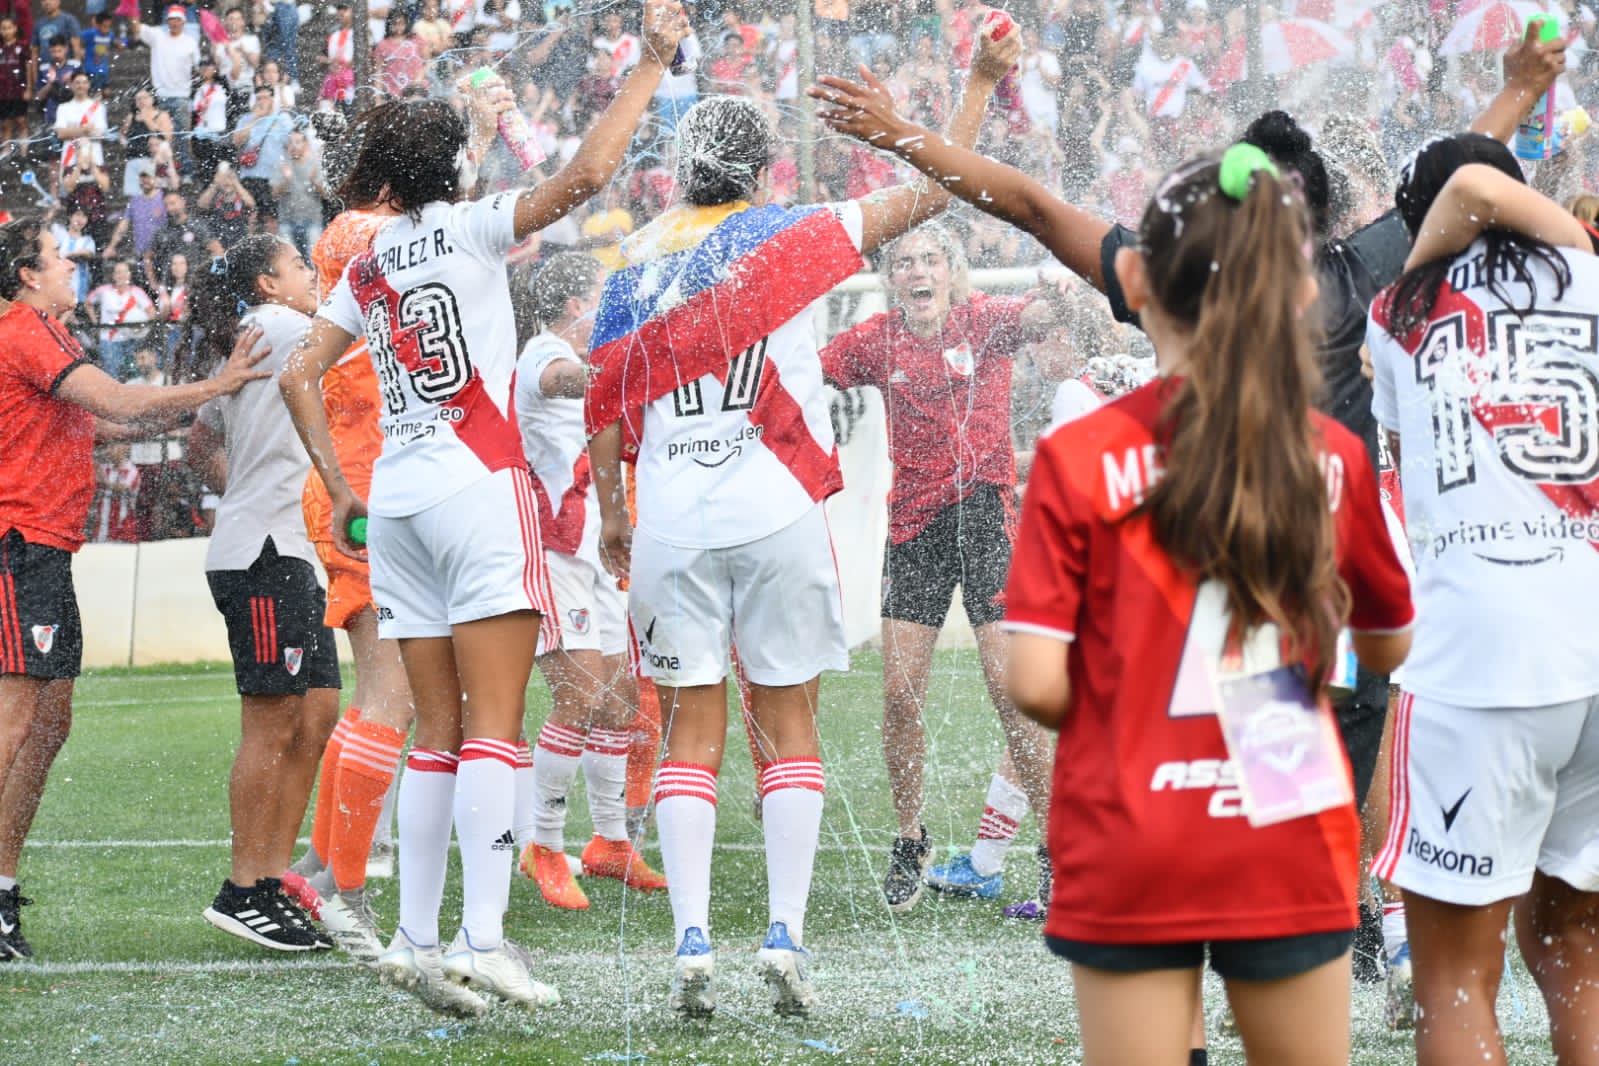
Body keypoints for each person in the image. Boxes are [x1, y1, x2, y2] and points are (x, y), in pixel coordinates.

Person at [814, 21, 1567, 977]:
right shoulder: (1355, 276)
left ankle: (1266, 929)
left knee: (1227, 821)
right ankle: (1334, 930)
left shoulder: (1170, 285)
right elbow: (1456, 179)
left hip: (1206, 611)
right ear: (1320, 216)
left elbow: (1030, 205)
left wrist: (894, 135)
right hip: (1321, 602)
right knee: (1310, 808)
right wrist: (1517, 91)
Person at [584, 19, 1020, 1019]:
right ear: (763, 169)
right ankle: (783, 939)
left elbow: (605, 406)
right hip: (776, 510)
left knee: (691, 727)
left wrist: (614, 511)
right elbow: (937, 192)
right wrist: (981, 84)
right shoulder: (789, 233)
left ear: (679, 171)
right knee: (787, 725)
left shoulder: (633, 264)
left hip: (673, 519)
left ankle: (692, 947)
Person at [278, 0, 690, 1015]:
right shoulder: (471, 225)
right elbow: (587, 179)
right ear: (454, 167)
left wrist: (339, 486)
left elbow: (299, 371)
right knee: (497, 726)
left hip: (400, 501)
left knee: (439, 730)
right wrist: (651, 64)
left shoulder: (368, 259)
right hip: (480, 487)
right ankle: (482, 938)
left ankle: (416, 938)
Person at [1004, 142, 1410, 1065]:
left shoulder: (1077, 455)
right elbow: (1387, 646)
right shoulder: (1328, 456)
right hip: (1282, 801)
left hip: (1130, 818)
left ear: (1137, 279)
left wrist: (1137, 695)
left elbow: (1034, 680)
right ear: (1295, 295)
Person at [1366, 134, 1599, 1066]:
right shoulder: (1588, 280)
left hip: (1481, 665)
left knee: (1454, 981)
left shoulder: (1393, 314)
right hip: (1593, 651)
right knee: (1576, 951)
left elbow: (1463, 186)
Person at [0, 217, 266, 961]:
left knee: (47, 726)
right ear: (27, 273)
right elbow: (113, 403)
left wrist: (204, 410)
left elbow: (88, 427)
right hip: (19, 549)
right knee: (16, 724)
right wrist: (218, 383)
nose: (72, 267)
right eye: (59, 257)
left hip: (41, 552)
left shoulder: (41, 338)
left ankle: (1, 890)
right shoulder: (31, 328)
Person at [819, 222, 1071, 914]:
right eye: (904, 262)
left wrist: (1063, 287)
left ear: (954, 275)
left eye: (930, 260)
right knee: (899, 695)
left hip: (986, 520)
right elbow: (805, 369)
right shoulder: (875, 339)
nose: (917, 271)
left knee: (1011, 695)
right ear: (890, 278)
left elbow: (1042, 314)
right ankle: (909, 838)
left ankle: (1056, 849)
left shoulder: (983, 319)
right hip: (915, 528)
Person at [175, 234, 344, 952]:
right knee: (272, 723)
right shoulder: (278, 328)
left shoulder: (261, 334)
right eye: (298, 267)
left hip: (287, 547)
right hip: (265, 552)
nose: (311, 277)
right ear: (267, 285)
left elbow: (198, 442)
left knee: (317, 716)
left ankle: (271, 880)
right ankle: (244, 888)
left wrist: (242, 484)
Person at [281, 144, 412, 966]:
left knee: (382, 693)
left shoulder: (353, 229)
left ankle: (324, 870)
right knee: (391, 695)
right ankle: (345, 888)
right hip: (365, 482)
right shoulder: (371, 231)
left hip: (360, 475)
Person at [512, 251, 667, 912]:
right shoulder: (542, 353)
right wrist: (623, 364)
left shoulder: (587, 353)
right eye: (604, 295)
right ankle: (544, 846)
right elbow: (560, 380)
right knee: (576, 698)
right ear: (578, 305)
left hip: (597, 554)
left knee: (618, 701)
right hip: (553, 556)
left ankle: (608, 843)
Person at [137, 6, 201, 178]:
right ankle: (160, 171)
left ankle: (186, 171)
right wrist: (131, 8)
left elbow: (198, 67)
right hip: (160, 95)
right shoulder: (158, 35)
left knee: (181, 136)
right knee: (158, 136)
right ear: (167, 21)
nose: (174, 22)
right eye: (171, 19)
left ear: (183, 22)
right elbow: (137, 28)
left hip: (181, 95)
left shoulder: (189, 42)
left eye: (177, 19)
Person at [84, 259, 154, 376]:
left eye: (124, 272)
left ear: (129, 275)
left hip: (131, 340)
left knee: (134, 375)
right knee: (112, 375)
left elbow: (151, 312)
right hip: (109, 340)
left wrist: (142, 330)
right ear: (114, 275)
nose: (121, 275)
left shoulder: (137, 292)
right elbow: (88, 303)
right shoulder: (104, 291)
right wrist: (95, 322)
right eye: (118, 272)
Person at [0, 16, 30, 155]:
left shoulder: (22, 46)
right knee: (6, 123)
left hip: (18, 89)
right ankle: (7, 151)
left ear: (15, 28)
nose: (6, 31)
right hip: (2, 91)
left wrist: (29, 88)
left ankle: (24, 153)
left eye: (9, 28)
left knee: (21, 120)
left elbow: (28, 67)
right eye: (3, 28)